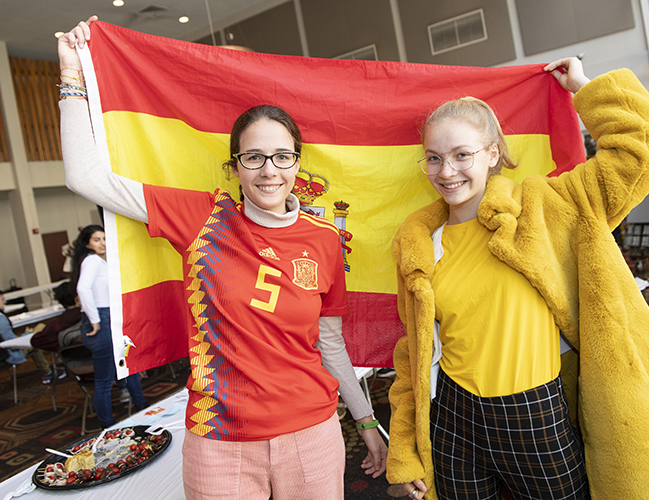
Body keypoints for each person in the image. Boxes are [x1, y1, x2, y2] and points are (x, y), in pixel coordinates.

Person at [58, 17, 387, 500]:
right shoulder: (203, 218)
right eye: (253, 157)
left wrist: (367, 422)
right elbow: (85, 178)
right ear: (234, 167)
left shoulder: (323, 239)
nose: (269, 170)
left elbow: (330, 343)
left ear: (297, 163)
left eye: (282, 156)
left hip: (312, 434)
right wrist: (71, 75)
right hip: (219, 440)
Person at [387, 58, 649, 499]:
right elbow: (413, 352)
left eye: (462, 155)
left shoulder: (546, 208)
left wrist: (582, 86)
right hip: (453, 418)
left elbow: (645, 148)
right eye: (434, 158)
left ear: (492, 154)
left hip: (537, 415)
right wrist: (405, 449)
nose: (447, 172)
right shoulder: (420, 242)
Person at [71, 224, 149, 427]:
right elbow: (83, 289)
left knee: (127, 368)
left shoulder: (97, 261)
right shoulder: (92, 260)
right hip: (102, 320)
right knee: (105, 380)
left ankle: (143, 408)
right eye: (97, 240)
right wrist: (95, 320)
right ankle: (109, 426)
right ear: (87, 243)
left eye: (104, 239)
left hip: (108, 317)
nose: (103, 243)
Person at [29, 282, 81, 383]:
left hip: (74, 366)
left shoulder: (55, 327)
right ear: (77, 297)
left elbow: (36, 341)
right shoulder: (92, 317)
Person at [0, 293, 52, 377]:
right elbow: (12, 344)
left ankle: (48, 372)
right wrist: (26, 334)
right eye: (2, 299)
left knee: (36, 336)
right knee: (37, 335)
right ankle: (48, 371)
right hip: (11, 354)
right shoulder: (1, 320)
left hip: (5, 354)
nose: (5, 302)